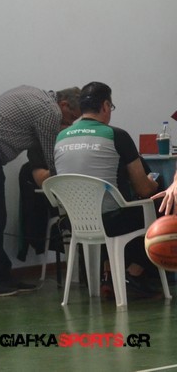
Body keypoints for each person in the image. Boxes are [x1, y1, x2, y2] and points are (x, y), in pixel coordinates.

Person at [0, 84, 81, 297]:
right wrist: (68, 188)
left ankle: (1, 276)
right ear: (64, 104)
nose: (69, 123)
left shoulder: (34, 93)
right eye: (71, 118)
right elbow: (53, 158)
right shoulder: (51, 111)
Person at [53, 82, 161, 295]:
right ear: (105, 106)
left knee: (111, 206)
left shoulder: (60, 137)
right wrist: (153, 182)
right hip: (111, 222)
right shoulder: (116, 135)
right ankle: (133, 274)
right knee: (163, 206)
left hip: (74, 222)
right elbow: (144, 189)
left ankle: (109, 275)